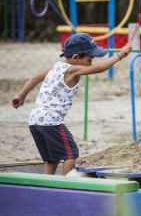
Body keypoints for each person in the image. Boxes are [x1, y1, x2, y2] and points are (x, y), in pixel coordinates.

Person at [11, 33, 132, 175]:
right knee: (71, 153)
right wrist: (120, 56)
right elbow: (99, 68)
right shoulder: (72, 70)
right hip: (52, 121)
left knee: (53, 157)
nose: (90, 64)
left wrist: (21, 96)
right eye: (89, 60)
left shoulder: (56, 67)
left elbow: (35, 78)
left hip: (35, 121)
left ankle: (46, 185)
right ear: (76, 58)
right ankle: (66, 184)